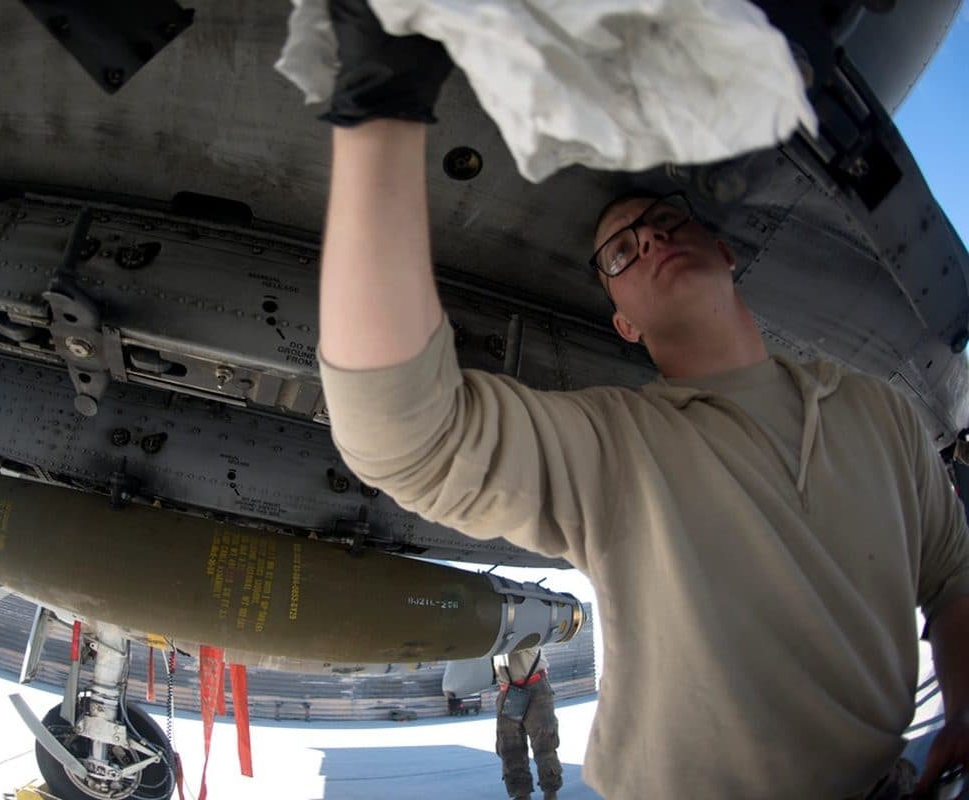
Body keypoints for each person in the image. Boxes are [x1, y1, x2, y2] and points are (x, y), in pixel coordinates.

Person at [314, 2, 969, 798]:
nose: (651, 239)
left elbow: (954, 577)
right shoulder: (618, 447)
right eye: (620, 251)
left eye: (663, 222)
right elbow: (412, 441)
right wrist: (380, 103)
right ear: (622, 321)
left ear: (726, 250)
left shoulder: (881, 416)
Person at [494, 647, 561, 800]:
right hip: (507, 691)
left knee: (545, 745)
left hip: (535, 685)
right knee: (510, 748)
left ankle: (551, 793)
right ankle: (521, 794)